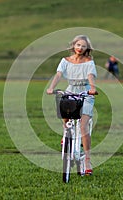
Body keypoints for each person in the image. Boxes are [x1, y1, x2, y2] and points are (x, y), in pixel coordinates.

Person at [46, 35, 97, 175]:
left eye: (83, 46)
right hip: (70, 90)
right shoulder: (65, 61)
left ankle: (87, 160)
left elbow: (91, 76)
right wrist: (51, 88)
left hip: (86, 93)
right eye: (78, 45)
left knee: (83, 126)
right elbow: (58, 75)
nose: (80, 48)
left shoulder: (89, 62)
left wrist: (92, 88)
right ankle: (66, 134)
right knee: (64, 113)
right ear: (74, 45)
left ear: (87, 48)